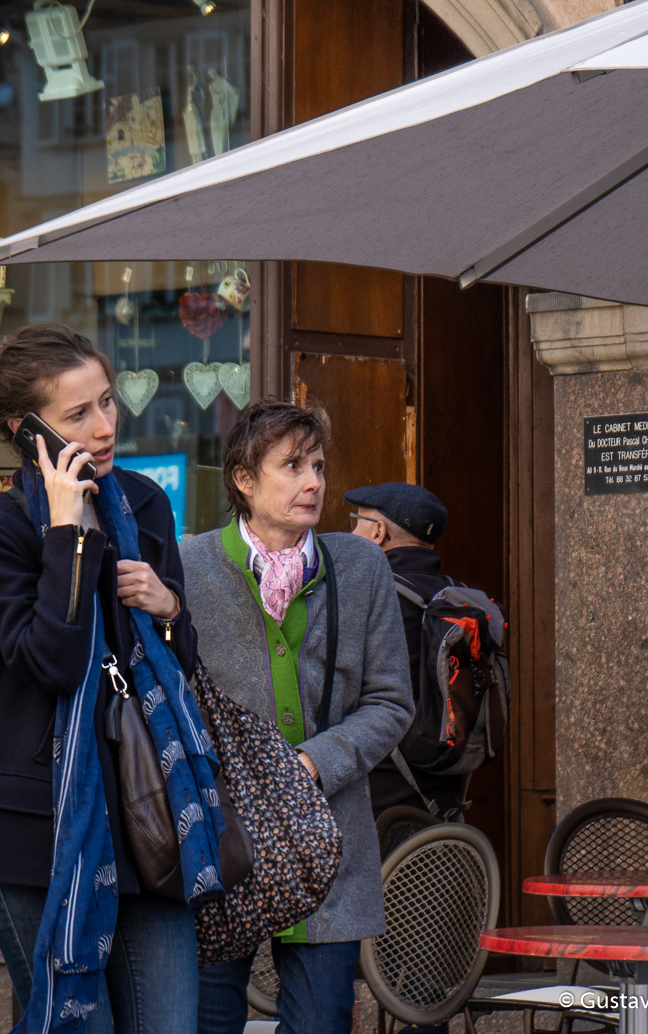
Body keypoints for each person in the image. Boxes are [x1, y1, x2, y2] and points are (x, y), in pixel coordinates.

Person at [0, 323, 213, 1034]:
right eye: (78, 414)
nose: (104, 427)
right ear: (24, 428)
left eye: (107, 402)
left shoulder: (142, 503)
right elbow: (50, 662)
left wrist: (169, 609)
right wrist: (67, 538)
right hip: (30, 830)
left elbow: (173, 665)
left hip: (148, 815)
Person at [180, 397, 414, 1034]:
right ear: (244, 480)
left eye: (317, 464)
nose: (313, 482)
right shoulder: (189, 567)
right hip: (220, 845)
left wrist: (311, 764)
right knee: (208, 1023)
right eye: (291, 466)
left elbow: (393, 701)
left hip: (328, 846)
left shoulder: (361, 566)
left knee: (320, 1024)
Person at [344, 482, 467, 820]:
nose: (351, 532)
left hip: (378, 809)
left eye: (356, 521)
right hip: (447, 803)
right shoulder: (459, 598)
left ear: (378, 532)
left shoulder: (368, 598)